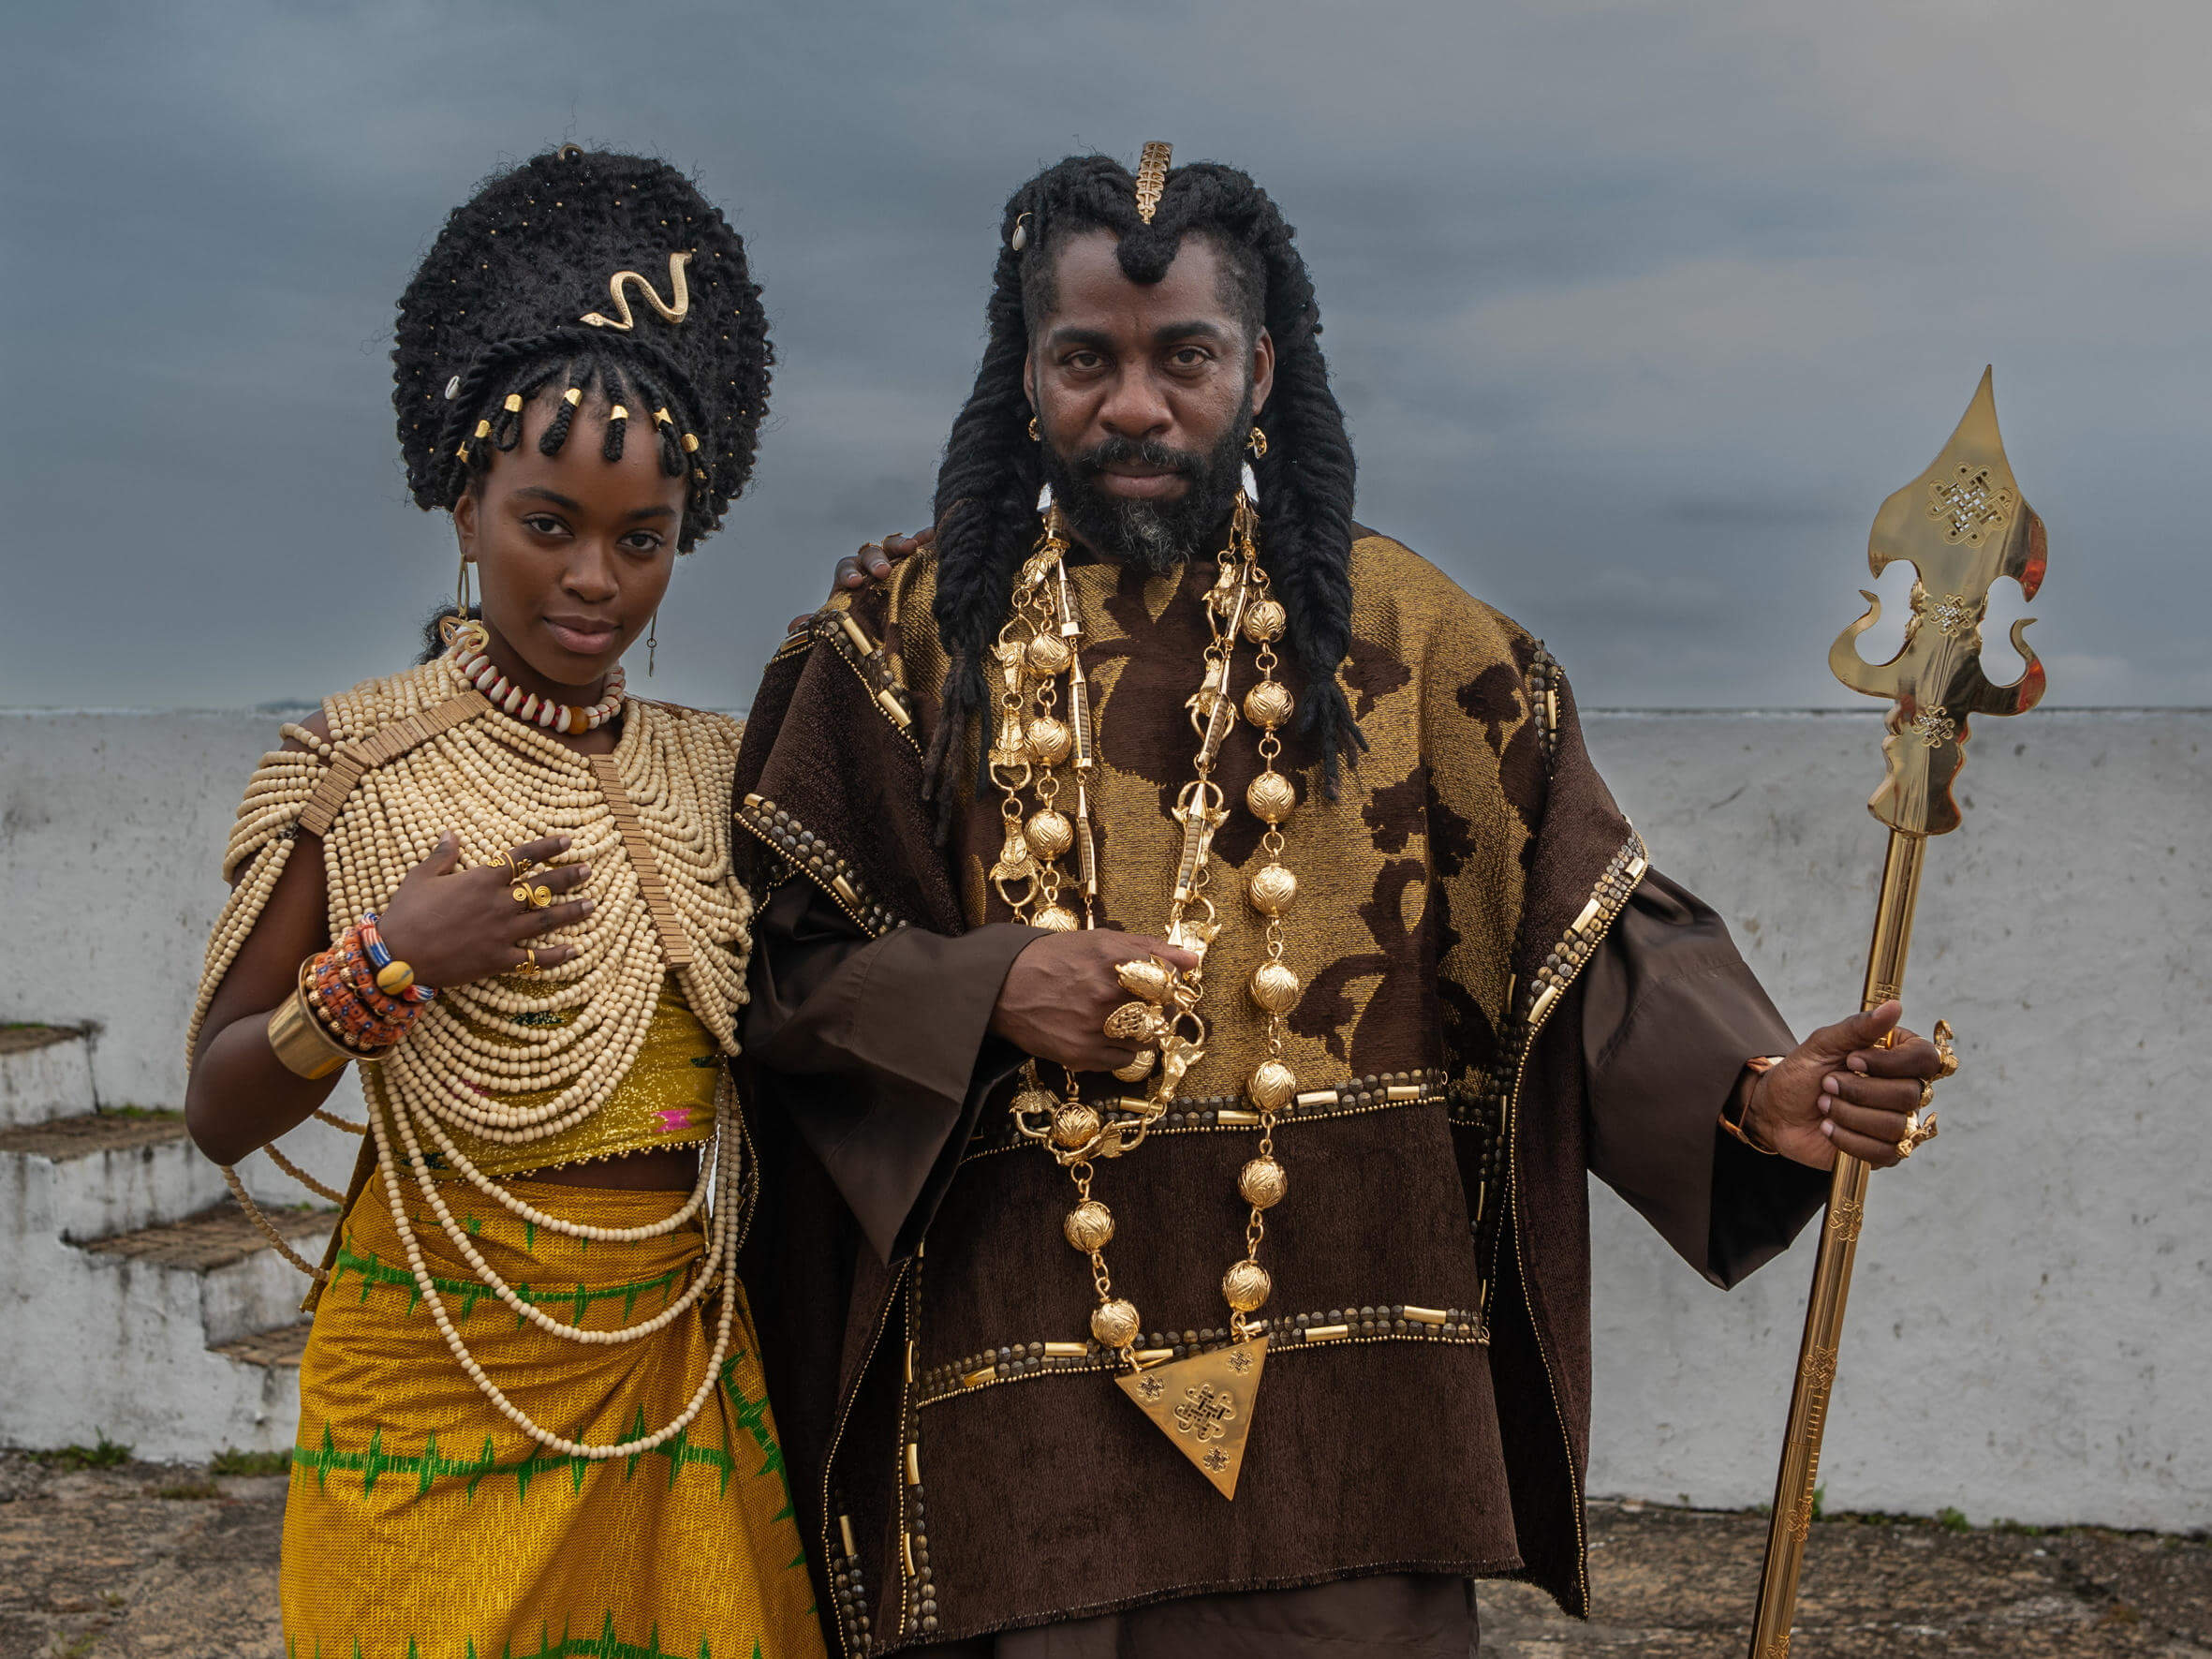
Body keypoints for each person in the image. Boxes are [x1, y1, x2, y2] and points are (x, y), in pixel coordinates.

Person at [732, 146, 1953, 1656]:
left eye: (1182, 356)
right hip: (1016, 1419)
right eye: (1084, 360)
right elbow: (774, 979)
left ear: (1259, 366)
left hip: (1351, 1406)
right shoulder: (895, 652)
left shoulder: (1422, 639)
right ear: (1024, 373)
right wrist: (983, 988)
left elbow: (1575, 929)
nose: (1132, 406)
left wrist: (1752, 1093)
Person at [184, 146, 824, 1657]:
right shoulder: (353, 763)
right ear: (464, 504)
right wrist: (387, 965)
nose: (595, 579)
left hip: (675, 1348)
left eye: (641, 540)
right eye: (550, 523)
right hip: (432, 1364)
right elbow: (216, 1106)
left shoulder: (717, 774)